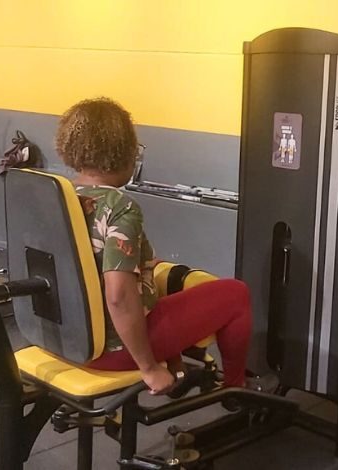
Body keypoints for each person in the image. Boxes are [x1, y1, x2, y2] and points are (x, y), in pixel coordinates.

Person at [55, 97, 254, 397]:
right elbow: (119, 295)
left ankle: (179, 365)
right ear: (123, 152)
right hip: (109, 349)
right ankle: (235, 390)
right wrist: (149, 368)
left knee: (162, 278)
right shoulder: (120, 206)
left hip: (66, 337)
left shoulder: (61, 194)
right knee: (236, 294)